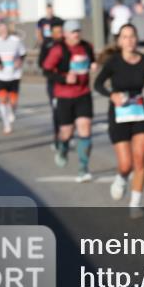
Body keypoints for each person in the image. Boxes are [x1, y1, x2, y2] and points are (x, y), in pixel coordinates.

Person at [94, 24, 144, 219]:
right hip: (118, 114)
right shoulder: (113, 62)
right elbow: (98, 84)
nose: (129, 40)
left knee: (140, 160)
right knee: (126, 164)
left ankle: (135, 204)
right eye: (125, 37)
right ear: (120, 41)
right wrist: (112, 95)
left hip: (140, 113)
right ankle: (121, 178)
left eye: (132, 36)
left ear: (136, 38)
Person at [42, 20, 97, 180]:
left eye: (78, 31)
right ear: (65, 34)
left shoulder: (87, 47)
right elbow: (46, 71)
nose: (76, 34)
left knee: (85, 128)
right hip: (64, 95)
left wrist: (93, 65)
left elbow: (91, 60)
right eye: (72, 32)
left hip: (83, 93)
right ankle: (63, 147)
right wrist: (64, 78)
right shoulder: (59, 49)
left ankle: (83, 167)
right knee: (66, 132)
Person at [0, 22, 26, 134]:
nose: (3, 31)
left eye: (4, 29)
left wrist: (19, 60)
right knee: (2, 100)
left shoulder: (15, 41)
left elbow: (23, 53)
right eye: (0, 30)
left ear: (7, 30)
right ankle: (6, 125)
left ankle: (12, 110)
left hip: (14, 75)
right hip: (0, 76)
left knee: (13, 102)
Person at [38, 18, 65, 151]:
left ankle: (66, 135)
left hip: (68, 84)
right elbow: (41, 63)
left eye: (61, 31)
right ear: (52, 32)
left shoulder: (68, 43)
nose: (60, 34)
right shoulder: (47, 44)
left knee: (67, 111)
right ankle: (57, 137)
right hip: (53, 84)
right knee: (56, 111)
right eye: (57, 31)